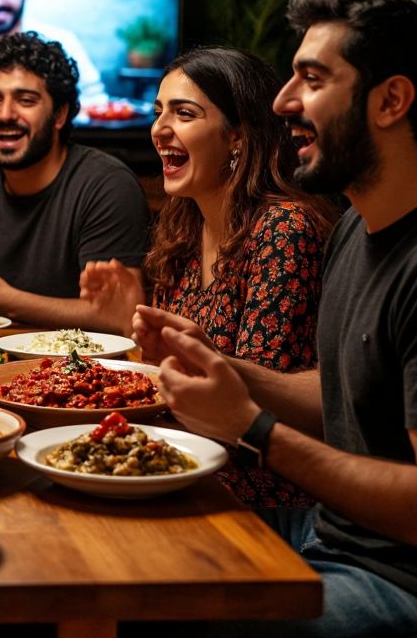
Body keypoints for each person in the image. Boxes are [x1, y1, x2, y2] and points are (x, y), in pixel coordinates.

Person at [135, 0, 417, 636]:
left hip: (416, 588)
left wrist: (254, 427)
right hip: (329, 537)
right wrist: (222, 366)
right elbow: (343, 398)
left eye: (312, 80)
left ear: (392, 101)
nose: (282, 101)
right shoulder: (359, 225)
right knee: (129, 564)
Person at [81, 46, 337, 507]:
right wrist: (127, 331)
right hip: (182, 463)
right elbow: (174, 376)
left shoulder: (284, 230)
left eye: (184, 113)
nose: (159, 129)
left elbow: (249, 410)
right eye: (159, 112)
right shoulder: (183, 227)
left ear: (237, 135)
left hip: (255, 496)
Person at [0, 32, 149, 330]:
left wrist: (7, 299)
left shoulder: (107, 186)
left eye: (26, 100)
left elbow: (118, 315)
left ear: (59, 114)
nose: (5, 114)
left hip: (83, 367)